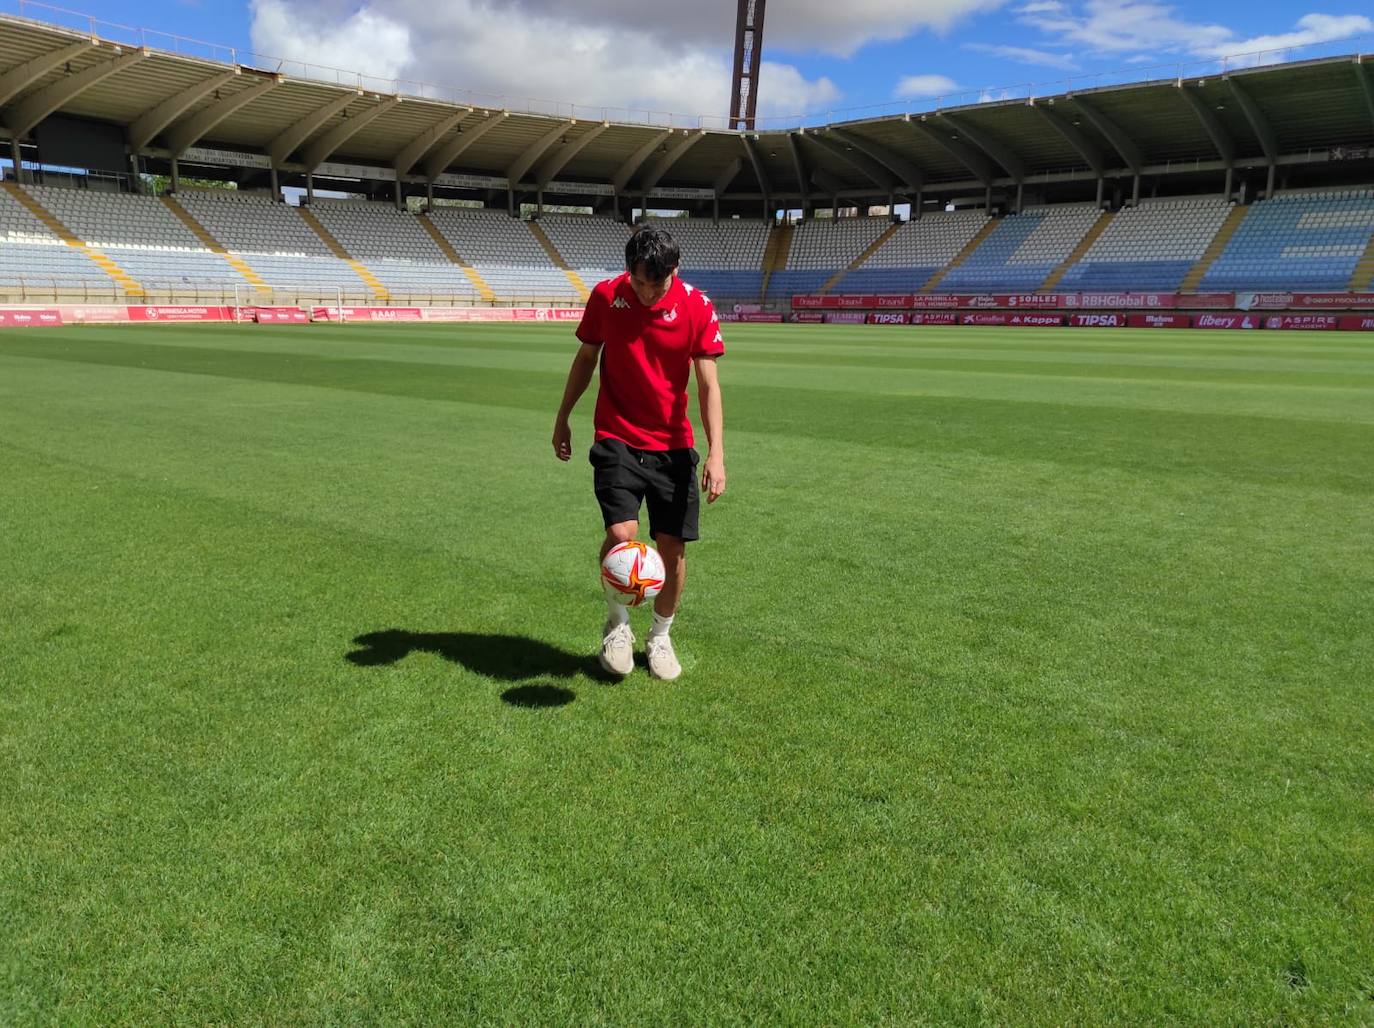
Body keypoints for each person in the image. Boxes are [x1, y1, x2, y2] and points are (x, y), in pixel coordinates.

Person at [552, 225, 726, 681]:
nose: (647, 293)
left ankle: (662, 635)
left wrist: (716, 454)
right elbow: (586, 359)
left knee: (672, 549)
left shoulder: (697, 306)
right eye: (640, 282)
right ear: (628, 270)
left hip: (673, 445)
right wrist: (563, 416)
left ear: (675, 271)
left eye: (657, 284)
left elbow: (708, 385)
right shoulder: (607, 296)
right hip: (617, 435)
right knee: (621, 534)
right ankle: (618, 625)